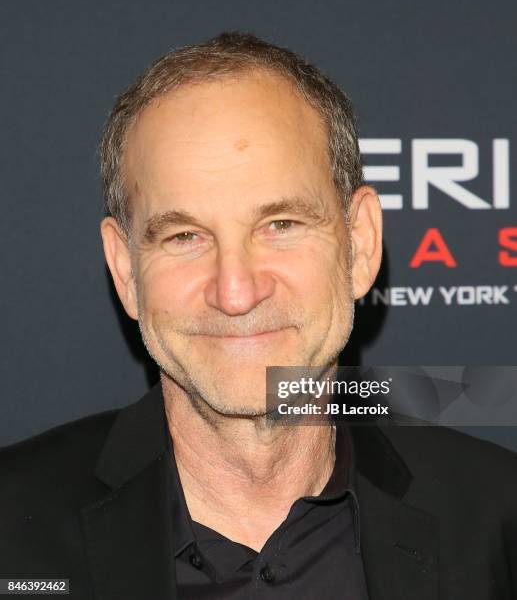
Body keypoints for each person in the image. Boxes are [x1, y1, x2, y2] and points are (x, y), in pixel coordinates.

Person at [1, 31, 516, 600]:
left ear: (361, 244)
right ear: (126, 270)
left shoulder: (496, 521)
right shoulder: (13, 529)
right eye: (185, 236)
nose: (236, 291)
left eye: (281, 225)